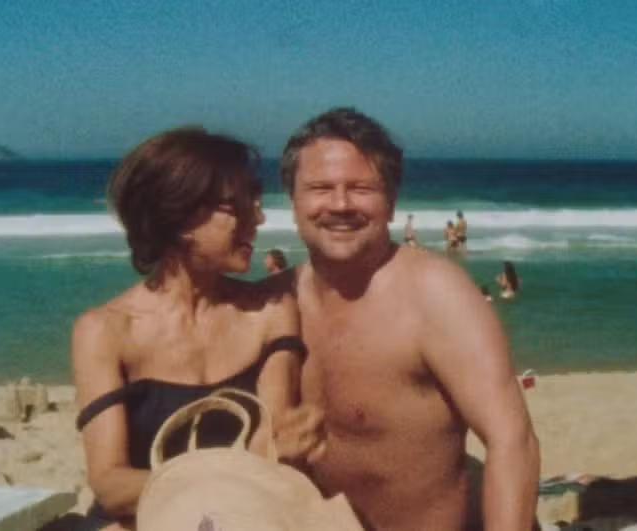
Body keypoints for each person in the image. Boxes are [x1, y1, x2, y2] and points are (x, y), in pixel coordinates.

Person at [274, 107, 540, 531]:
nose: (340, 204)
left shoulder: (435, 295)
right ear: (293, 202)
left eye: (361, 188)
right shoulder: (275, 303)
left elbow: (512, 440)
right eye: (320, 188)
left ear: (392, 201)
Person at [71, 127, 325, 530]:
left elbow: (276, 441)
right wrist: (233, 475)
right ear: (181, 217)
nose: (257, 217)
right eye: (238, 205)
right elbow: (111, 486)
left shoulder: (271, 311)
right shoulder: (105, 331)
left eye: (255, 201)